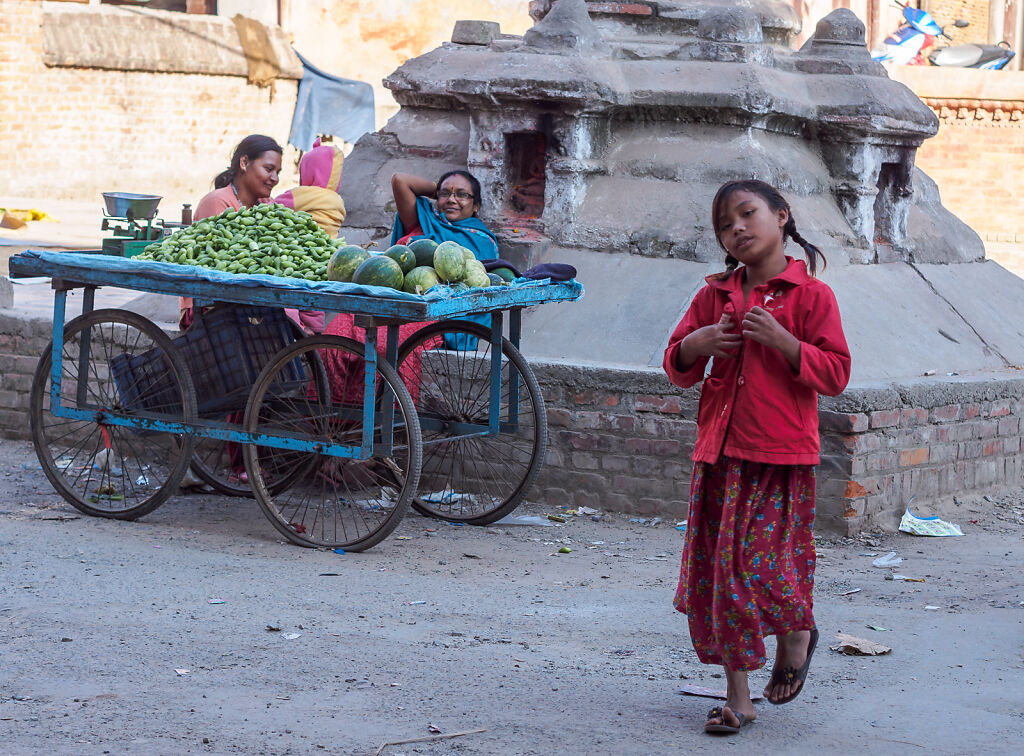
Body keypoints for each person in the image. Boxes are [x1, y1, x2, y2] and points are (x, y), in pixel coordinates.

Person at [662, 180, 851, 735]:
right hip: (720, 455)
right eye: (725, 224)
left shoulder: (812, 297)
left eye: (747, 214)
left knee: (757, 567)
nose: (737, 229)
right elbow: (676, 363)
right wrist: (699, 345)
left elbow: (836, 373)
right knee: (722, 578)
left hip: (780, 456)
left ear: (782, 216)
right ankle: (738, 698)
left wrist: (785, 342)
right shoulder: (714, 295)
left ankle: (795, 629)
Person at [321, 168, 499, 404]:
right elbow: (400, 180)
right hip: (385, 301)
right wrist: (440, 191)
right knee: (333, 339)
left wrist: (447, 192)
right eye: (445, 193)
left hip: (430, 315)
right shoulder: (423, 218)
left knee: (385, 348)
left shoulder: (480, 239)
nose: (452, 199)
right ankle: (334, 421)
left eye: (462, 195)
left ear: (475, 205)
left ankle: (387, 427)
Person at [180, 134, 284, 329]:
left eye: (278, 172)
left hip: (245, 300)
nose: (275, 179)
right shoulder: (217, 202)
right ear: (245, 163)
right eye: (269, 169)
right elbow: (218, 267)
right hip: (207, 305)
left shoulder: (266, 206)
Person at [274, 138, 347, 238]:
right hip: (331, 245)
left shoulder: (305, 194)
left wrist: (264, 203)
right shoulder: (338, 200)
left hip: (306, 246)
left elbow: (274, 207)